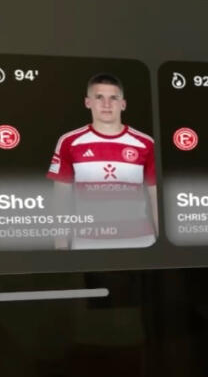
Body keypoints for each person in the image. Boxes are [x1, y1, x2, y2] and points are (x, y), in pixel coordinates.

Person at [49, 73, 157, 249]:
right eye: (99, 97)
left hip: (140, 242)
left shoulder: (146, 143)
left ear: (123, 104)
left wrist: (162, 247)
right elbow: (61, 199)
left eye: (113, 98)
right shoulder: (69, 141)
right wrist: (60, 246)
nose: (107, 104)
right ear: (88, 102)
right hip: (88, 244)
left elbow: (155, 197)